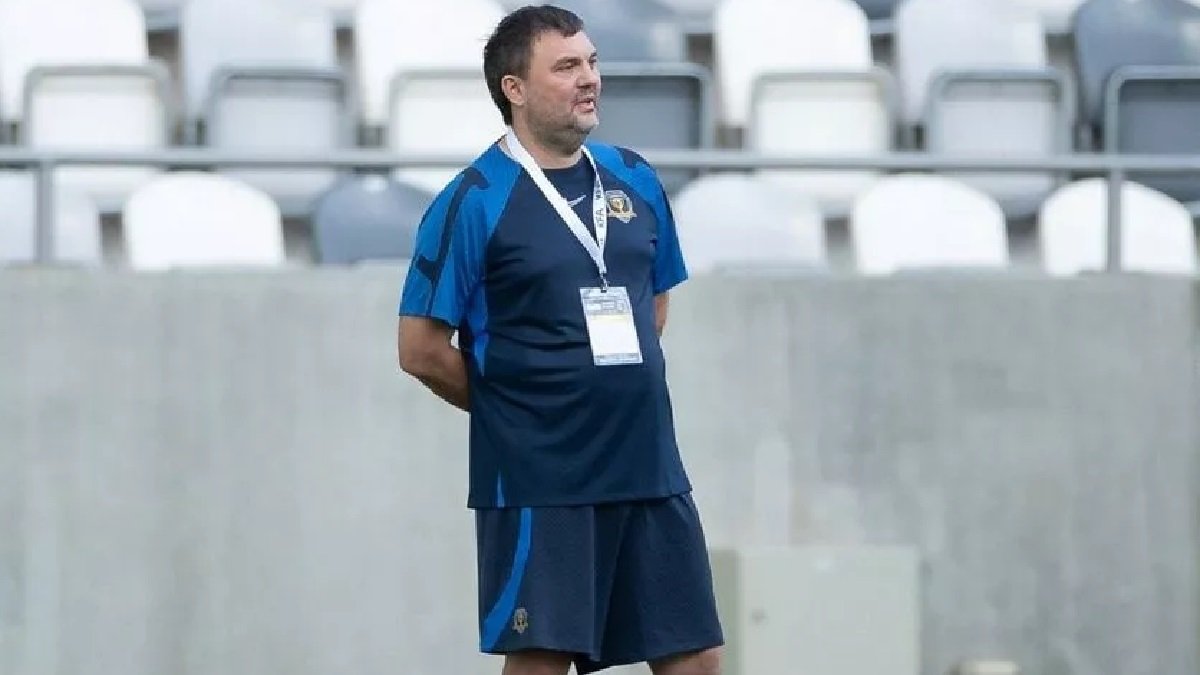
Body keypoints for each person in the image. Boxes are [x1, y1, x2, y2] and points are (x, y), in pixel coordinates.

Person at [395, 5, 723, 674]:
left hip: (648, 466)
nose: (590, 78)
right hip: (541, 478)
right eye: (567, 66)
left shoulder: (634, 177)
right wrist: (520, 412)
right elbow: (419, 347)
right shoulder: (473, 199)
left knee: (695, 660)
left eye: (592, 62)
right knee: (543, 660)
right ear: (514, 88)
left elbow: (652, 302)